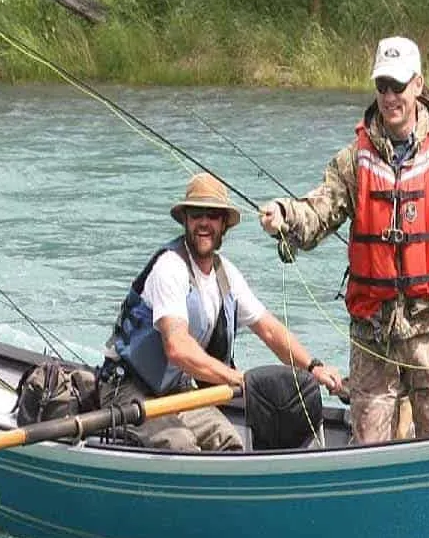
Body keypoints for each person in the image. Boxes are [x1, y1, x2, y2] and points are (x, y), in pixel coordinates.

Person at [258, 36, 429, 443]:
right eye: (382, 86)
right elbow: (318, 212)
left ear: (417, 85)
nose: (389, 97)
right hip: (372, 338)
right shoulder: (353, 160)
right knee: (368, 448)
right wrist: (285, 214)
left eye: (397, 86)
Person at [102, 173, 343, 451]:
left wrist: (314, 368)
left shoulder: (226, 274)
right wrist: (238, 379)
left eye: (213, 216)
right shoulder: (170, 267)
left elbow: (268, 329)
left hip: (173, 390)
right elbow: (177, 348)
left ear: (224, 225)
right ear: (186, 221)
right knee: (180, 444)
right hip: (128, 388)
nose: (204, 223)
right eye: (196, 215)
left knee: (229, 441)